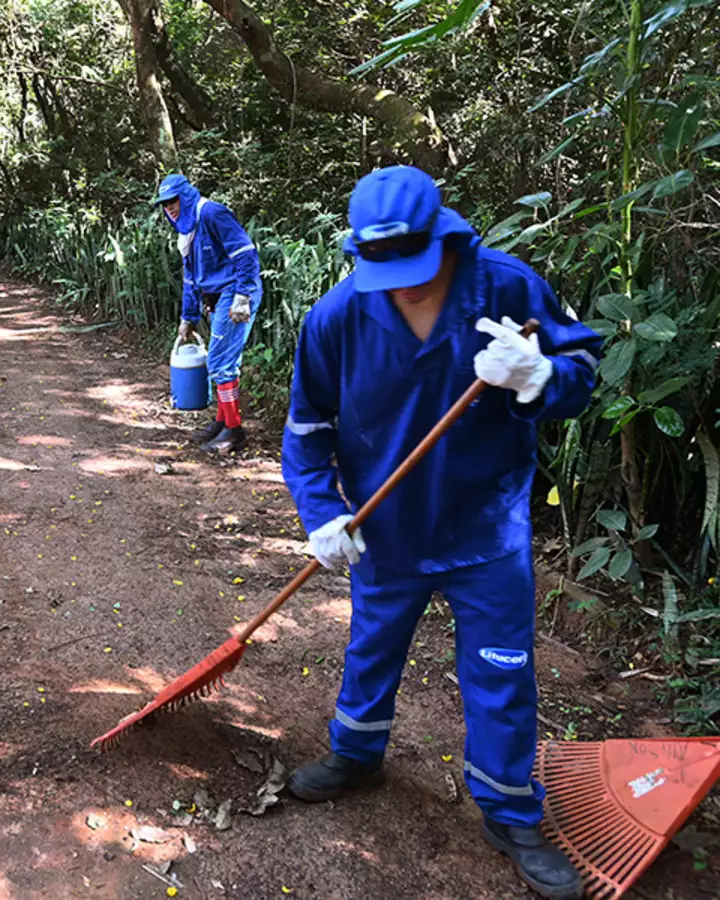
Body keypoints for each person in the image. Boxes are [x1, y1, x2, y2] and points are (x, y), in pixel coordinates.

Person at [281, 166, 602, 900]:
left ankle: (510, 811)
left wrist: (539, 375)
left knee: (500, 670)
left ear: (444, 237)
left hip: (486, 528)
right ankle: (356, 754)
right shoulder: (336, 319)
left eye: (416, 267)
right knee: (371, 647)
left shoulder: (509, 288)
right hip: (386, 533)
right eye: (384, 271)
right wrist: (320, 514)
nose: (405, 286)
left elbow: (583, 367)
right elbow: (306, 435)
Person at [152, 174, 263, 454]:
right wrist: (187, 318)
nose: (169, 208)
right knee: (225, 361)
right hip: (215, 296)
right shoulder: (186, 233)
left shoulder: (212, 213)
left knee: (219, 361)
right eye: (164, 204)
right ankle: (222, 422)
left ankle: (235, 431)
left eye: (173, 201)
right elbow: (191, 279)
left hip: (235, 292)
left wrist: (243, 296)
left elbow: (246, 253)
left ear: (185, 197)